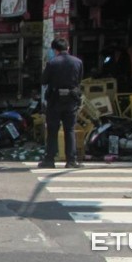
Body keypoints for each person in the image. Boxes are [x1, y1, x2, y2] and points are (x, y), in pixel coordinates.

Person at [39, 38, 84, 169]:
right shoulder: (78, 62)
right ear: (68, 48)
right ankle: (71, 161)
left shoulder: (52, 63)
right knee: (69, 130)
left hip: (55, 100)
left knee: (52, 130)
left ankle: (49, 160)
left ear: (55, 50)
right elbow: (79, 80)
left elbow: (44, 80)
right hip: (71, 100)